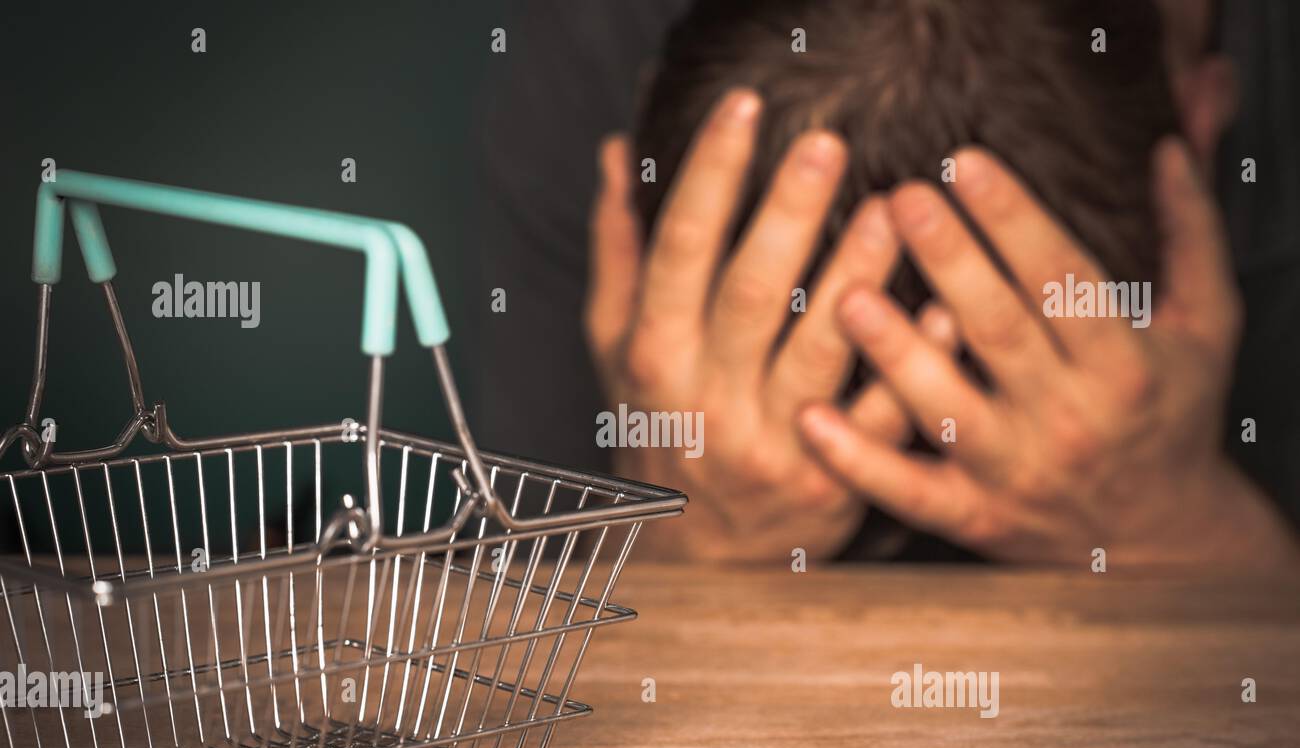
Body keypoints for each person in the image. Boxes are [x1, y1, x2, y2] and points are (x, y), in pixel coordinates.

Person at [471, 0, 1299, 568]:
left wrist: (1193, 539)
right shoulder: (595, 41)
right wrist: (666, 543)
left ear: (1204, 124)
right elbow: (501, 657)